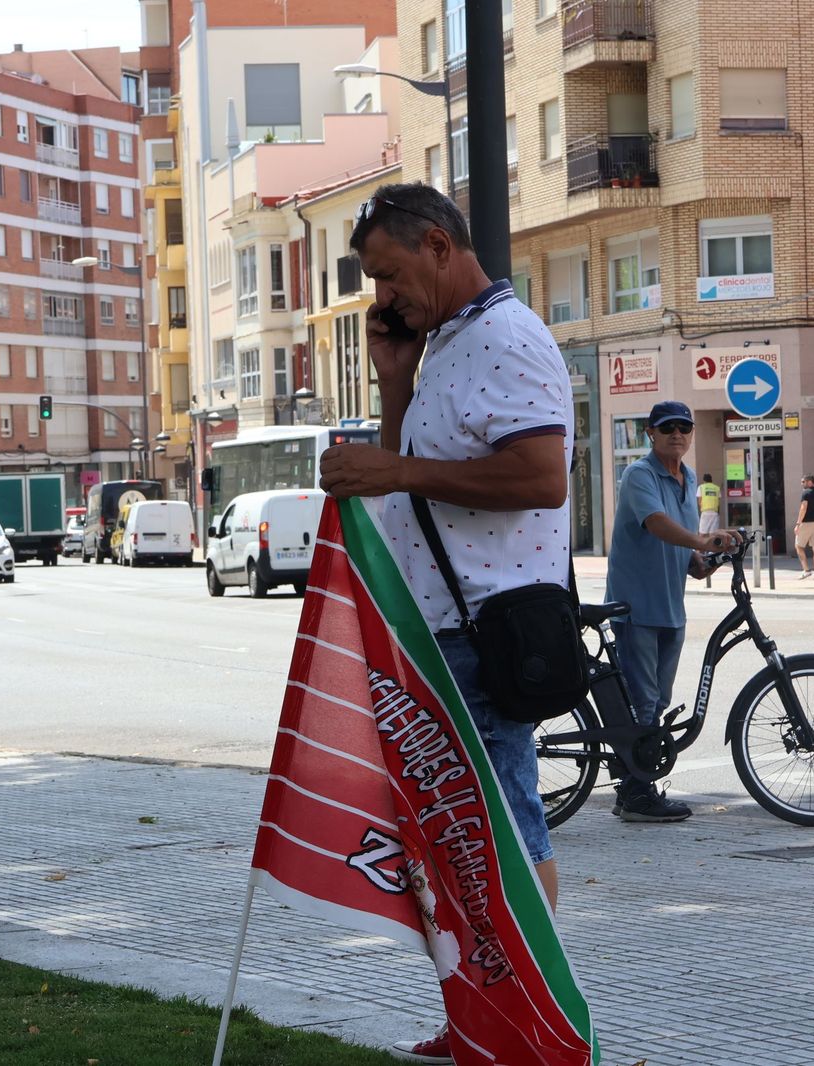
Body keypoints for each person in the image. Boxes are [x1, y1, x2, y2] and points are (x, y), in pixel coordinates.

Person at [317, 182, 572, 1066]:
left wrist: (392, 473)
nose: (382, 298)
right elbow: (411, 472)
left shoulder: (504, 339)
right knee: (458, 839)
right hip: (446, 631)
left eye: (388, 274)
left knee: (499, 831)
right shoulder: (450, 345)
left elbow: (543, 478)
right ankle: (483, 1017)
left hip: (485, 629)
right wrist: (394, 386)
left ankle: (529, 1021)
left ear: (436, 244)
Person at [606, 400, 734, 821]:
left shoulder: (689, 477)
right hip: (637, 606)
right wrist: (700, 541)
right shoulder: (639, 474)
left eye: (684, 427)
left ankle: (631, 785)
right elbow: (657, 523)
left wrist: (699, 562)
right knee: (643, 701)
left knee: (657, 700)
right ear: (650, 433)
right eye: (667, 428)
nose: (676, 434)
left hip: (670, 607)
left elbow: (678, 547)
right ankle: (638, 795)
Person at [794, 474, 814, 579]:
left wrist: (798, 523)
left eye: (803, 482)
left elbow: (803, 508)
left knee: (798, 546)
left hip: (806, 524)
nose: (802, 484)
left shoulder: (805, 493)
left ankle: (806, 570)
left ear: (809, 482)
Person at [697, 472, 721, 536]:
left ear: (704, 480)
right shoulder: (717, 488)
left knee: (702, 534)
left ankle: (701, 546)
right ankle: (712, 546)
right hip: (714, 513)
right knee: (713, 535)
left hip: (705, 512)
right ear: (711, 480)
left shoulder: (701, 487)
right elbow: (718, 502)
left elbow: (699, 501)